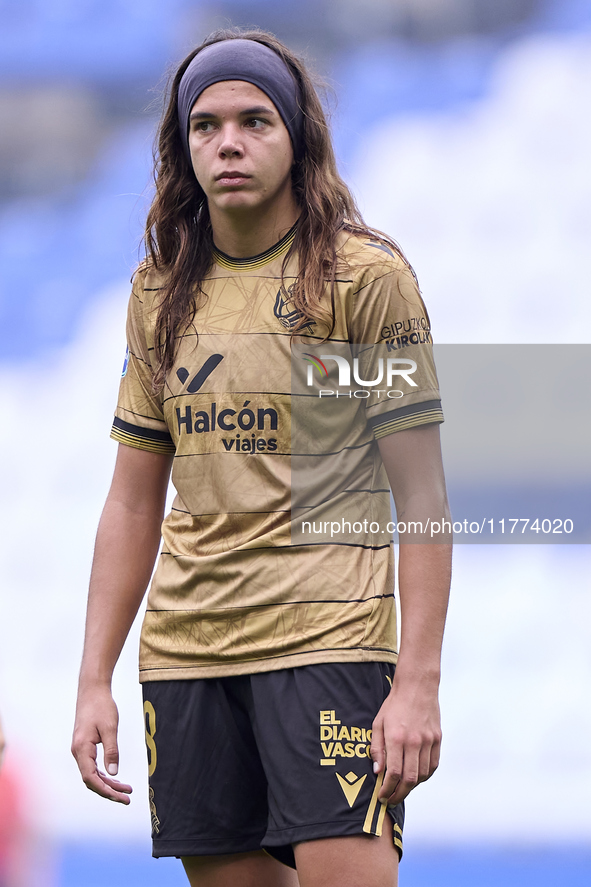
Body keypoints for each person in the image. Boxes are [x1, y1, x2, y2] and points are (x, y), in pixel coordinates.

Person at [72, 28, 452, 887]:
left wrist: (417, 683)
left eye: (254, 120)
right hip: (188, 653)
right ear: (181, 147)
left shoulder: (361, 280)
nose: (229, 143)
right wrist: (94, 677)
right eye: (205, 126)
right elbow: (133, 501)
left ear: (297, 138)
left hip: (328, 642)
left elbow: (420, 494)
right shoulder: (159, 289)